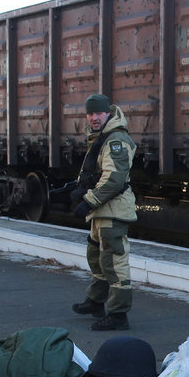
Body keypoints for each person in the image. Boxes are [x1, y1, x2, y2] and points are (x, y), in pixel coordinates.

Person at [70, 93, 137, 331]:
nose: (94, 118)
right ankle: (96, 301)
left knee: (113, 261)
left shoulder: (116, 139)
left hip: (112, 209)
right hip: (103, 210)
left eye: (98, 113)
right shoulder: (102, 137)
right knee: (96, 256)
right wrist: (80, 188)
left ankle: (118, 314)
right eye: (90, 113)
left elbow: (114, 179)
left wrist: (88, 200)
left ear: (108, 112)